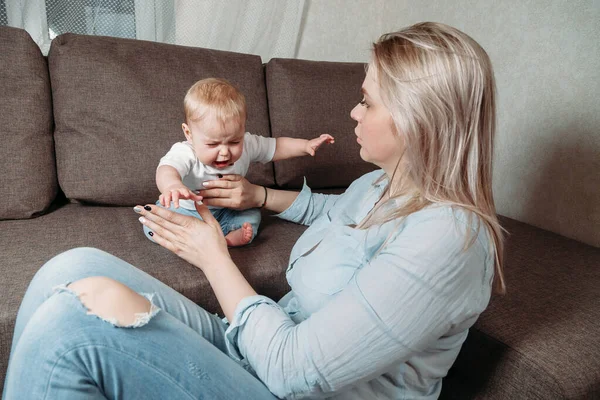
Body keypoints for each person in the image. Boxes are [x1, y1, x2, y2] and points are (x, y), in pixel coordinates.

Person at [3, 22, 506, 399]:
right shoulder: (380, 184)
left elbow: (293, 371)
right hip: (260, 347)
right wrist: (258, 197)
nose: (353, 111)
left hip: (285, 380)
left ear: (419, 120)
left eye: (367, 102)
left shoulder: (448, 238)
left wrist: (212, 254)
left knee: (70, 332)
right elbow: (332, 214)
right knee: (70, 268)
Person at [146, 77, 334, 246]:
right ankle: (194, 235)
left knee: (251, 216)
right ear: (189, 134)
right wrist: (172, 185)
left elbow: (277, 146)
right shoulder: (186, 151)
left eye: (234, 141)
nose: (225, 152)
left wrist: (305, 145)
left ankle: (228, 239)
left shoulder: (248, 143)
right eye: (213, 144)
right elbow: (167, 169)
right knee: (153, 224)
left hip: (228, 210)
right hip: (188, 210)